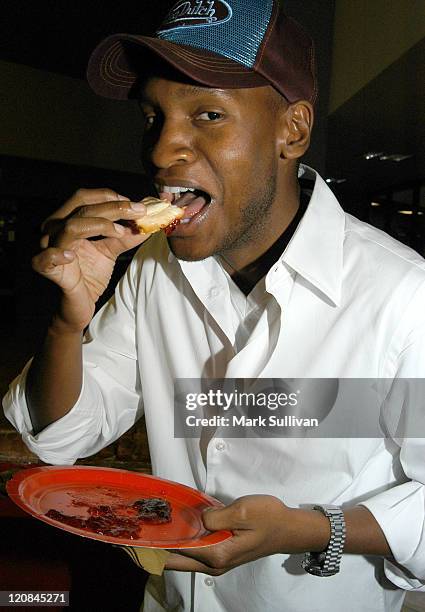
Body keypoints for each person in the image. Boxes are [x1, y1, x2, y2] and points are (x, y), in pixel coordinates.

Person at [3, 1, 425, 610]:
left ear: (293, 130)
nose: (160, 149)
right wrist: (67, 322)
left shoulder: (402, 297)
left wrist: (313, 528)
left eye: (207, 114)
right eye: (154, 116)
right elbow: (63, 435)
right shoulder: (154, 268)